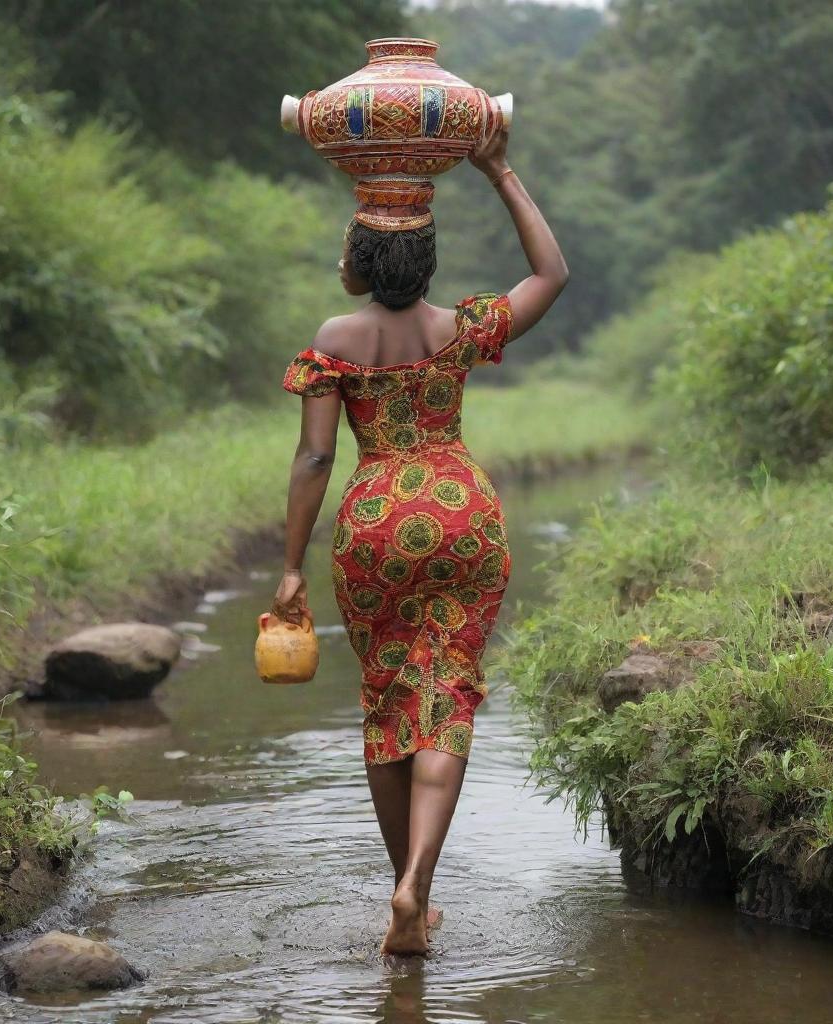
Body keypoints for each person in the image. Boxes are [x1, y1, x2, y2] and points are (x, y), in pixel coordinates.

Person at [271, 124, 568, 957]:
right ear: (426, 267)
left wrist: (291, 566)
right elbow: (553, 273)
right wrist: (501, 169)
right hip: (461, 519)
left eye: (347, 250)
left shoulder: (335, 340)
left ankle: (402, 890)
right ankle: (417, 892)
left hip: (373, 533)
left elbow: (317, 455)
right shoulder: (459, 329)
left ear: (362, 265)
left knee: (388, 702)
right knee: (445, 696)